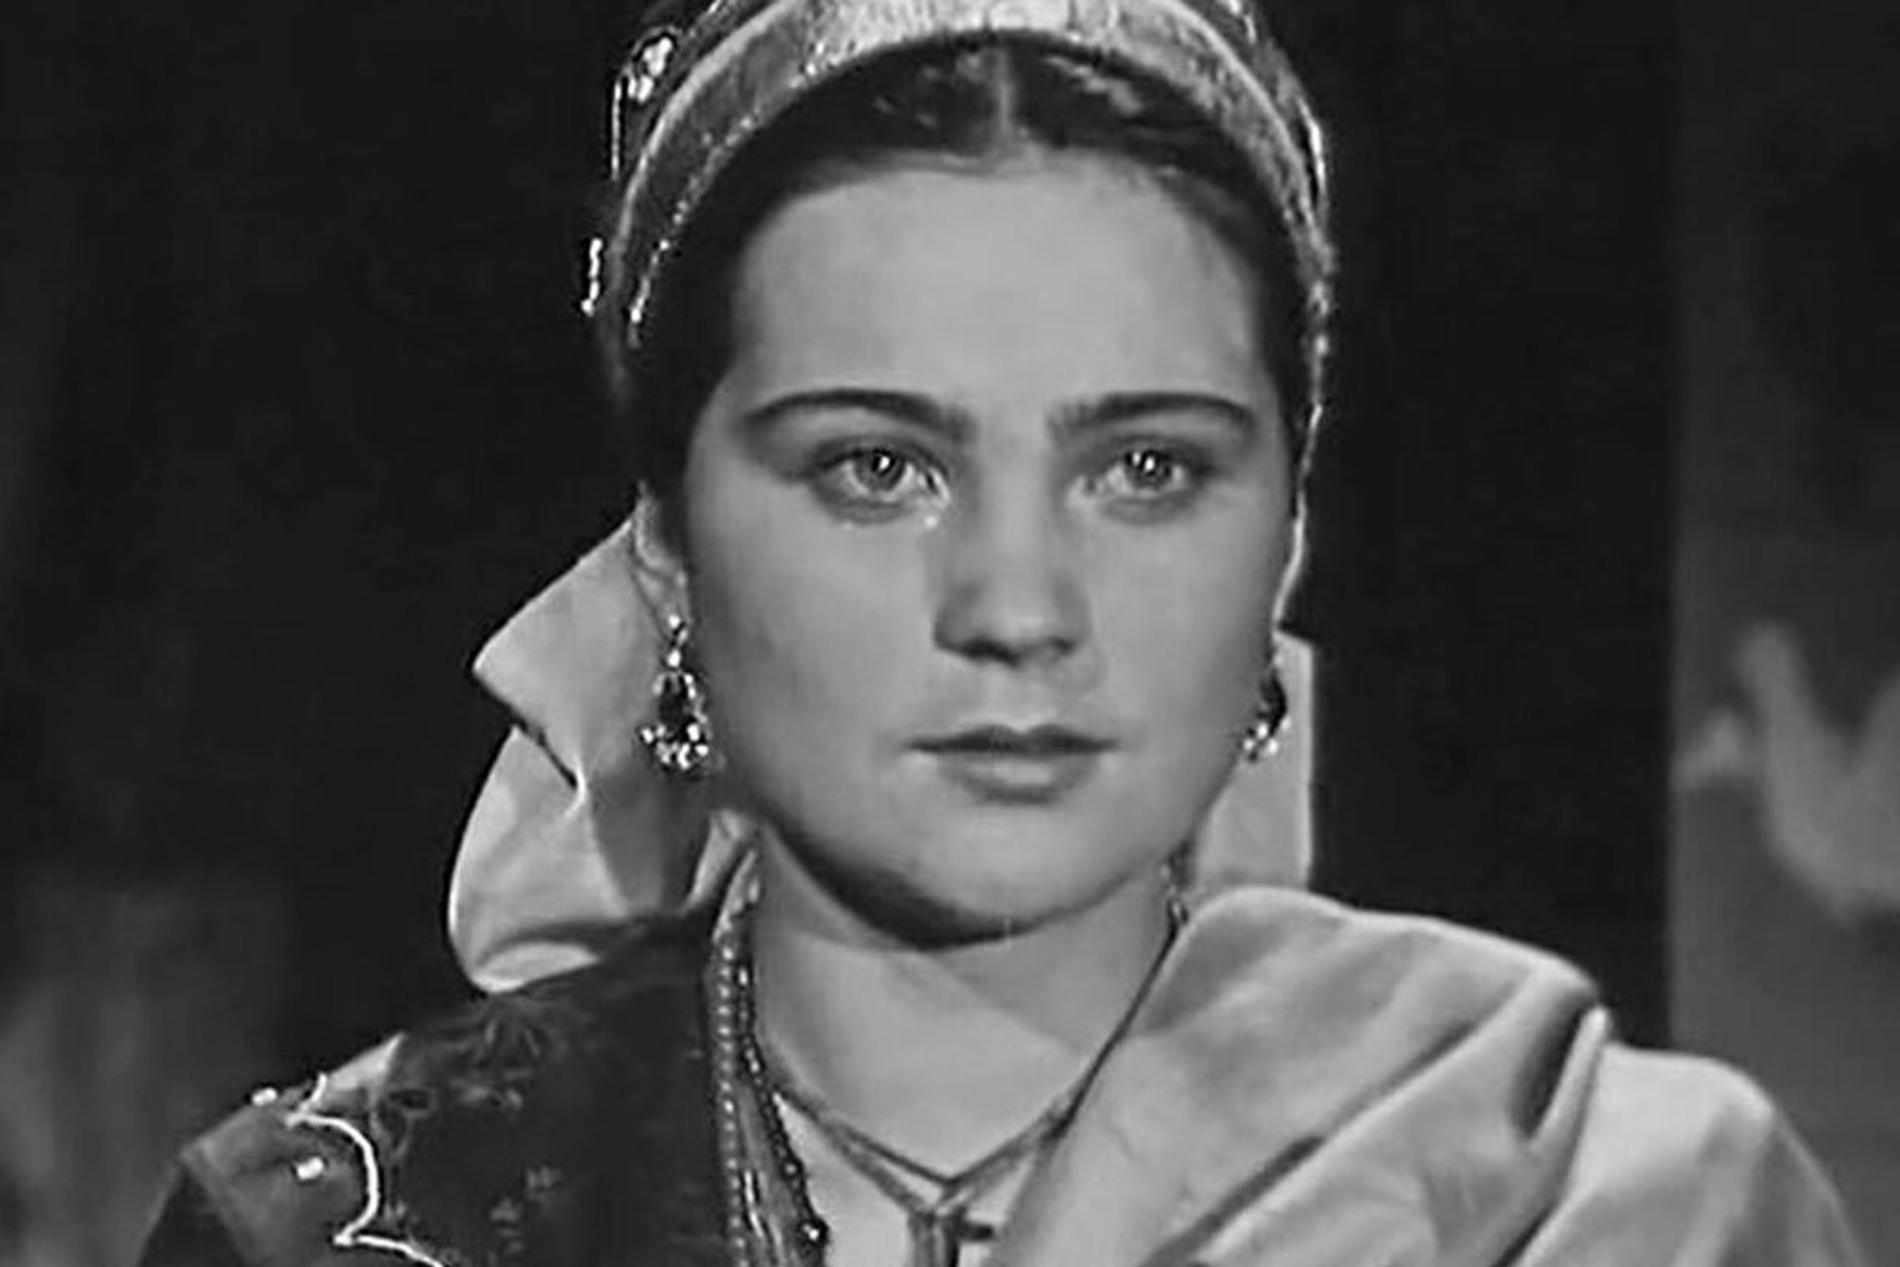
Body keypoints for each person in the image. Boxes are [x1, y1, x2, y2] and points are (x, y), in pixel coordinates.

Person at [137, 0, 1870, 1262]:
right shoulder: (361, 1230)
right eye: (877, 468)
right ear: (667, 549)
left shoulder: (1574, 1201)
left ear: (1286, 541)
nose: (1019, 611)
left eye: (1147, 470)